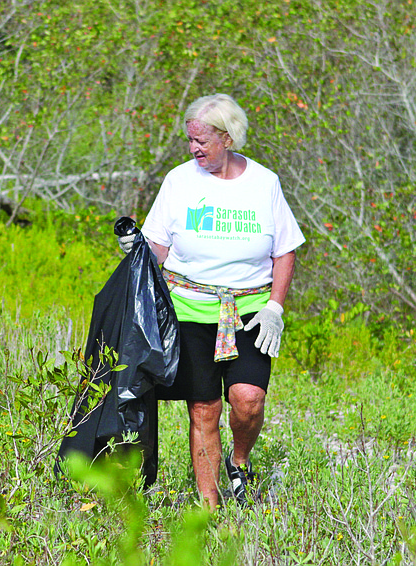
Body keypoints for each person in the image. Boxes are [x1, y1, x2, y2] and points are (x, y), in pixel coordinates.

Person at [118, 93, 305, 508]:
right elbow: (158, 248)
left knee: (248, 400)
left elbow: (285, 250)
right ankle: (210, 505)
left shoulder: (264, 182)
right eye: (190, 140)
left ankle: (238, 461)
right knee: (204, 408)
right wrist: (136, 248)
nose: (193, 148)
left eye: (201, 140)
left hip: (250, 310)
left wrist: (275, 307)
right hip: (188, 307)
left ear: (228, 136)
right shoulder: (179, 181)